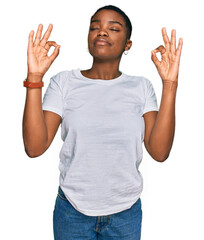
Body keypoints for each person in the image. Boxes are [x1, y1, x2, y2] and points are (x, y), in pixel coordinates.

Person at [22, 5, 183, 240]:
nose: (102, 32)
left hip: (125, 213)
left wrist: (170, 83)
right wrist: (35, 78)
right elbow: (34, 147)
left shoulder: (141, 87)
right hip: (72, 212)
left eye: (113, 28)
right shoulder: (64, 82)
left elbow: (159, 152)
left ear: (128, 44)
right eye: (94, 27)